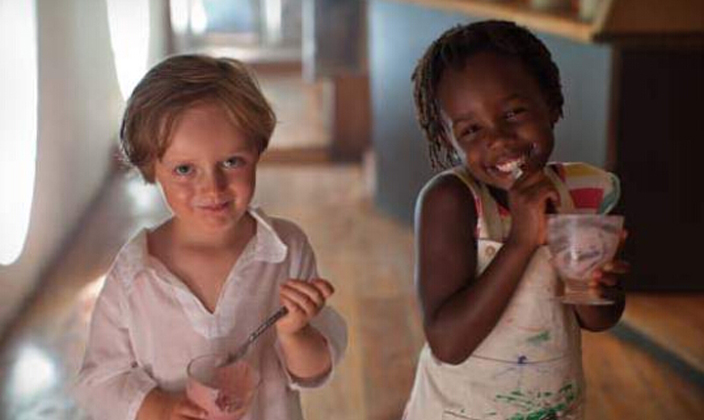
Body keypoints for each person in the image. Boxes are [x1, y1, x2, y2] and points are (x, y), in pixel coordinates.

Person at [74, 54, 347, 420]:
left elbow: (313, 372)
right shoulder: (134, 273)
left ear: (257, 152)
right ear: (152, 168)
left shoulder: (286, 249)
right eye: (185, 169)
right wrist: (162, 408)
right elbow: (98, 383)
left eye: (232, 162)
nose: (213, 187)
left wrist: (296, 334)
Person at [403, 20, 628, 419]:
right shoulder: (452, 201)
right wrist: (523, 240)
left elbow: (598, 318)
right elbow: (447, 344)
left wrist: (594, 283)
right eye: (471, 129)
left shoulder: (584, 191)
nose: (498, 139)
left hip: (555, 407)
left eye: (513, 112)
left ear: (551, 103)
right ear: (446, 140)